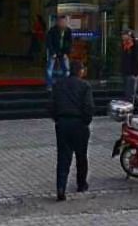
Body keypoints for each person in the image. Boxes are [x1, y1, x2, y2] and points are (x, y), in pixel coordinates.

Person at [49, 60, 94, 201]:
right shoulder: (85, 86)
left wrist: (57, 119)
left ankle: (61, 188)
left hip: (63, 123)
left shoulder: (59, 85)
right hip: (79, 123)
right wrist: (86, 121)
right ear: (80, 71)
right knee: (81, 155)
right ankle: (81, 184)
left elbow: (51, 105)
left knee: (63, 157)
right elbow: (88, 107)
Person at [121, 29, 138, 116]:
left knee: (130, 94)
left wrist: (136, 73)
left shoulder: (136, 45)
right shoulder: (125, 45)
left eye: (124, 35)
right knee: (131, 93)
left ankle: (129, 113)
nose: (123, 37)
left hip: (133, 73)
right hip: (126, 72)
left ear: (129, 36)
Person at [46, 15, 72, 90]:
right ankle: (49, 86)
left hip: (63, 52)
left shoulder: (68, 31)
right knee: (49, 69)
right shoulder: (52, 30)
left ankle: (64, 85)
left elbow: (69, 43)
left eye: (64, 22)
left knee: (66, 70)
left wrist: (66, 53)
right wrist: (52, 52)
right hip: (54, 51)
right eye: (61, 22)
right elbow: (49, 42)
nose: (63, 23)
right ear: (58, 22)